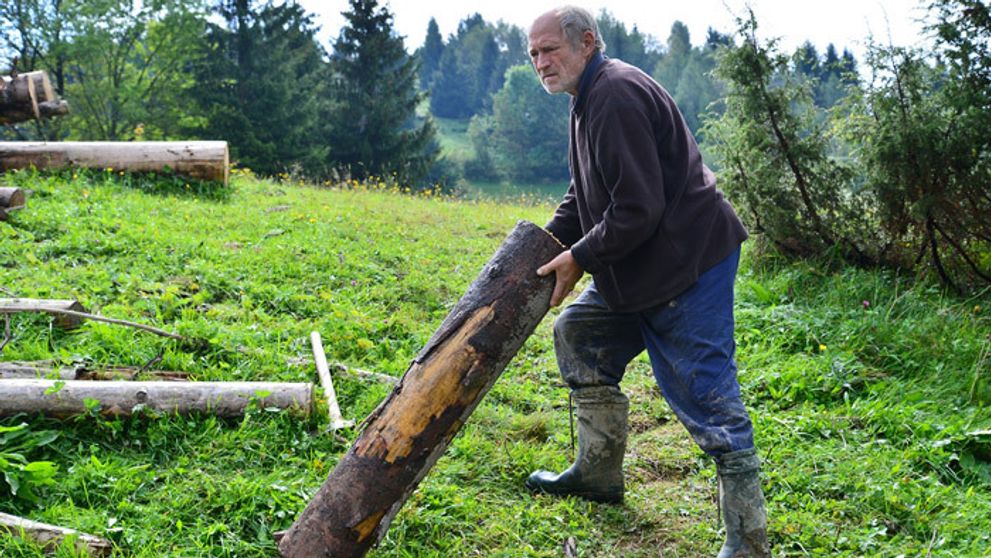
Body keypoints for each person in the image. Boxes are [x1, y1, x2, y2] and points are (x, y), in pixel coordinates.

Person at [524, 6, 771, 557]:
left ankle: (749, 541)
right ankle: (598, 473)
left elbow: (636, 209)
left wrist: (579, 257)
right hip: (642, 264)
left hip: (687, 265)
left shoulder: (614, 94)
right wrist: (543, 246)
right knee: (581, 335)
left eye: (549, 50)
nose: (540, 62)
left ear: (587, 42)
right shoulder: (586, 98)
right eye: (533, 54)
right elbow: (586, 191)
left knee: (710, 401)